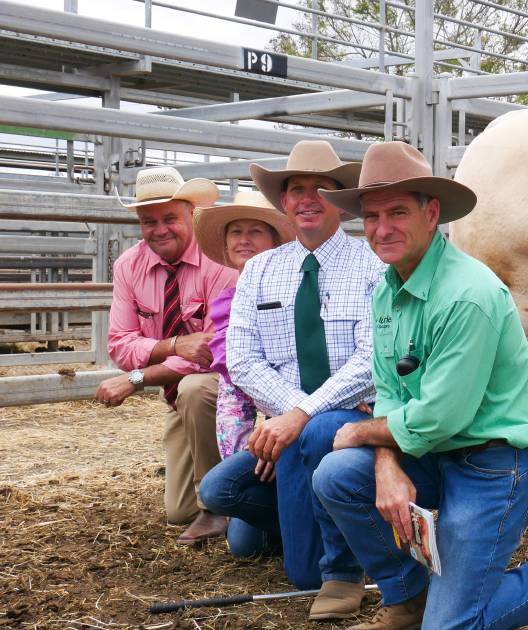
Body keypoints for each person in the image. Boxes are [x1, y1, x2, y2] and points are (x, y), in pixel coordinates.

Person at [312, 141, 528, 630]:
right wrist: (385, 462)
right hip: (436, 453)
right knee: (336, 475)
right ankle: (410, 600)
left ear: (431, 212)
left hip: (496, 464)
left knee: (454, 626)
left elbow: (441, 417)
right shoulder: (387, 291)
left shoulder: (468, 294)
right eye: (372, 217)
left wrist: (360, 433)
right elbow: (391, 391)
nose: (382, 228)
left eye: (397, 212)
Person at [225, 140, 384, 619]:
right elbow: (241, 359)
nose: (308, 197)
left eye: (322, 188)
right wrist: (290, 414)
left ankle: (329, 559)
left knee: (300, 572)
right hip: (289, 418)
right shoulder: (260, 269)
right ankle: (318, 517)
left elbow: (371, 360)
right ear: (285, 202)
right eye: (296, 189)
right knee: (220, 495)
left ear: (339, 200)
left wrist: (301, 415)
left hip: (350, 412)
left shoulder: (373, 266)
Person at [95, 166, 238, 544]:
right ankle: (227, 496)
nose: (159, 230)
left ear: (191, 213)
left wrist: (138, 377)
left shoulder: (218, 261)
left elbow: (210, 353)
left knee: (195, 387)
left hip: (223, 390)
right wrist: (172, 345)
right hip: (177, 396)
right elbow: (119, 344)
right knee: (178, 511)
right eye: (148, 221)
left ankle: (218, 508)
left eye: (170, 218)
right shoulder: (129, 265)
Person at [193, 190, 296, 558]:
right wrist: (248, 454)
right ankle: (296, 519)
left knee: (232, 510)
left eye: (256, 231)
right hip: (266, 438)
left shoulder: (296, 290)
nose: (244, 240)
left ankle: (308, 518)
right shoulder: (227, 302)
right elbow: (232, 401)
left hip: (294, 425)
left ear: (275, 241)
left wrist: (278, 434)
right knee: (244, 545)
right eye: (236, 231)